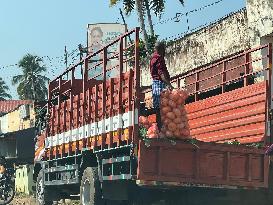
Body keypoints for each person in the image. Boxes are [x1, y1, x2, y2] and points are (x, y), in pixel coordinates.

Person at [150, 41, 174, 130]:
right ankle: (162, 129)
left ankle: (160, 129)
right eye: (164, 49)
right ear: (161, 49)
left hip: (155, 84)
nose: (164, 52)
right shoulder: (159, 58)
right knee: (163, 108)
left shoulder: (152, 58)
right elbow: (161, 73)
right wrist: (169, 84)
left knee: (158, 109)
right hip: (160, 84)